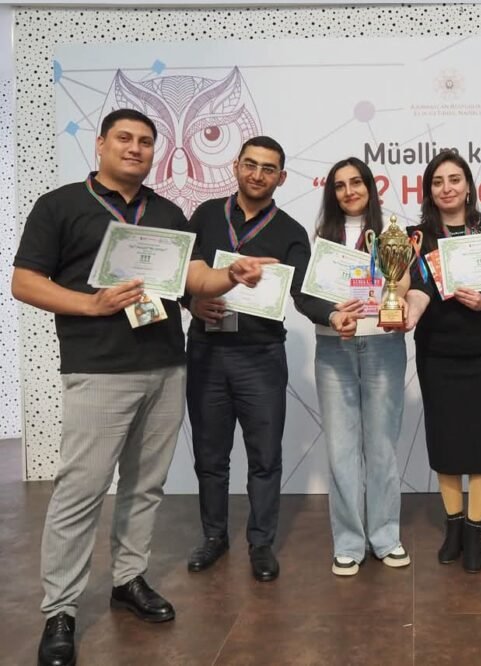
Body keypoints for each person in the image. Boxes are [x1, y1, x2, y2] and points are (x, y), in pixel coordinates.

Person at [12, 109, 272, 666]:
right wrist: (90, 304)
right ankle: (60, 610)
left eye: (145, 141)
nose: (135, 148)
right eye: (125, 139)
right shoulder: (60, 205)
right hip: (98, 368)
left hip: (165, 364)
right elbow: (24, 281)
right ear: (101, 143)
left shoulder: (167, 212)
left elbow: (192, 277)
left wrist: (230, 276)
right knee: (81, 491)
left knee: (145, 486)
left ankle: (128, 579)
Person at [184, 136, 334, 583]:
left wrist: (334, 314)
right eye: (250, 164)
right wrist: (191, 303)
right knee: (210, 455)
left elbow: (304, 293)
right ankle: (214, 536)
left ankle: (261, 542)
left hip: (261, 356)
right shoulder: (205, 216)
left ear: (281, 178)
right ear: (235, 166)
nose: (257, 174)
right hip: (207, 351)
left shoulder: (290, 231)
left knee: (265, 456)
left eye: (268, 169)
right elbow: (178, 273)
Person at [405, 150, 481, 573]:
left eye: (455, 179)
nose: (447, 188)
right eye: (438, 182)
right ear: (428, 191)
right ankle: (452, 526)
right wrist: (408, 311)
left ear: (468, 186)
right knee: (446, 440)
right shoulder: (416, 237)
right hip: (437, 352)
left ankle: (474, 530)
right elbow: (414, 286)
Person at [304, 156, 410, 577]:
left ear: (370, 186)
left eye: (356, 182)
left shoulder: (392, 233)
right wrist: (334, 315)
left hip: (383, 344)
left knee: (382, 446)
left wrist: (395, 292)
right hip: (334, 347)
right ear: (332, 193)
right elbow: (310, 295)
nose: (349, 191)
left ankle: (385, 537)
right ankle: (348, 542)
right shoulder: (320, 238)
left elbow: (403, 284)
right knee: (341, 449)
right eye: (340, 185)